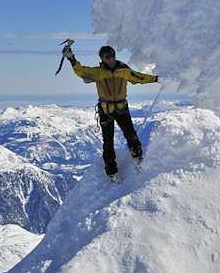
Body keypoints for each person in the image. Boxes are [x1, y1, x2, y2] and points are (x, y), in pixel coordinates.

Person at [64, 44, 158, 180]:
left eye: (112, 55)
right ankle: (112, 171)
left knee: (131, 135)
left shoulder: (123, 70)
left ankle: (138, 158)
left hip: (121, 108)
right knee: (108, 142)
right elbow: (81, 71)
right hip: (105, 110)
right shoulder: (98, 72)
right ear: (102, 59)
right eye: (107, 57)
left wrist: (156, 79)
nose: (111, 58)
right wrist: (72, 58)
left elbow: (139, 78)